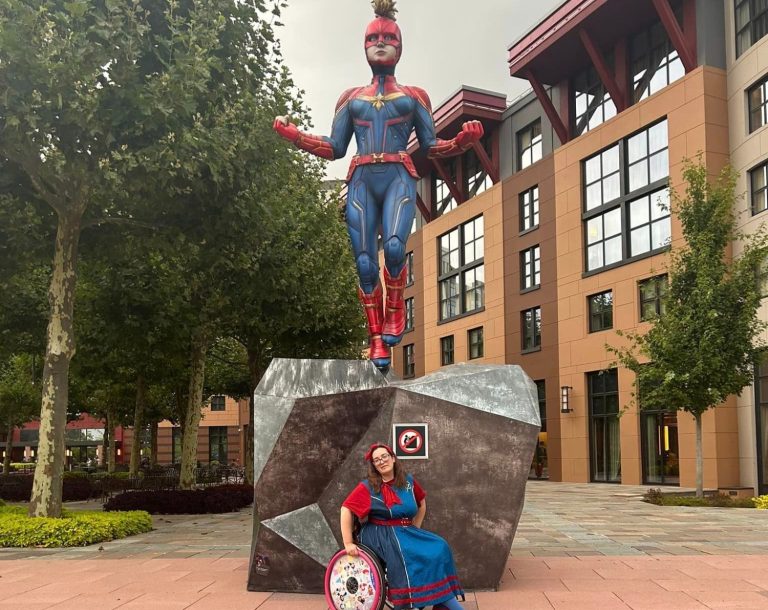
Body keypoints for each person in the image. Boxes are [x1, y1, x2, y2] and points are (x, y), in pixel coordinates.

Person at [273, 0, 483, 371]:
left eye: (388, 37)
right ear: (364, 45)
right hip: (361, 180)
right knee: (366, 263)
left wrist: (461, 142)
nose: (380, 42)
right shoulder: (350, 99)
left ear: (400, 46)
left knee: (398, 247)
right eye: (373, 37)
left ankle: (395, 308)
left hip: (398, 176)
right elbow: (336, 148)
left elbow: (432, 147)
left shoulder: (415, 96)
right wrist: (296, 137)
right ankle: (375, 337)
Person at [340, 442, 464, 610]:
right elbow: (346, 508)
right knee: (409, 553)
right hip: (379, 532)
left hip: (405, 530)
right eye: (376, 460)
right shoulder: (368, 487)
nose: (381, 461)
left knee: (440, 546)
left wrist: (415, 528)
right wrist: (348, 542)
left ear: (392, 458)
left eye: (384, 456)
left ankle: (438, 599)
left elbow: (421, 503)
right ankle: (434, 602)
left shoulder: (407, 481)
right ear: (374, 465)